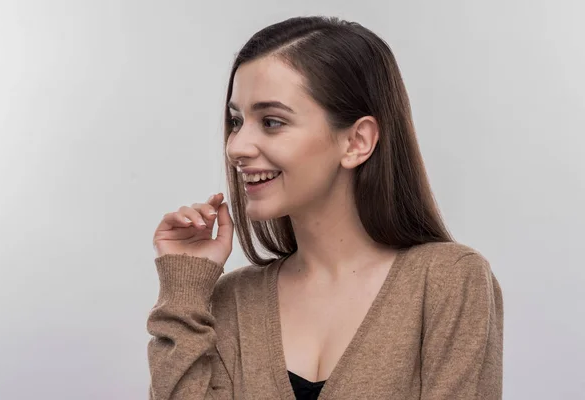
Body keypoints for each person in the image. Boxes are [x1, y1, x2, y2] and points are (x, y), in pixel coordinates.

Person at [147, 16, 503, 400]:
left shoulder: (448, 281)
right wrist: (184, 285)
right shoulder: (231, 299)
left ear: (356, 141)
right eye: (236, 121)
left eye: (271, 121)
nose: (236, 146)